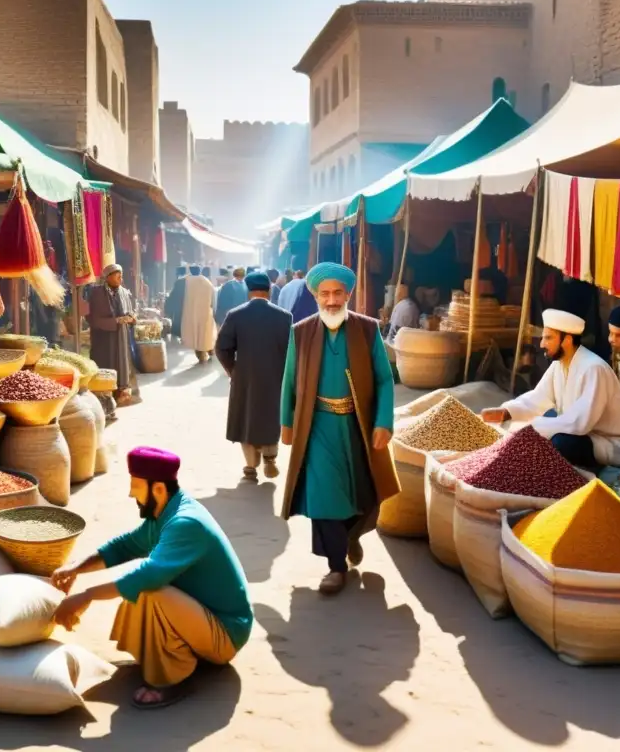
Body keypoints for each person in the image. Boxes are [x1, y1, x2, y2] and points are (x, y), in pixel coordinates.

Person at [51, 446, 252, 710]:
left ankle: (172, 679)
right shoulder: (166, 512)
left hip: (226, 634)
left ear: (157, 489)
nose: (131, 493)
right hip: (203, 618)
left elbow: (147, 576)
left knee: (150, 590)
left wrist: (86, 596)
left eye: (135, 485)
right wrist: (76, 568)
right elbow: (126, 546)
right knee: (146, 588)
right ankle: (171, 655)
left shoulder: (185, 523)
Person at [280, 263, 399, 595]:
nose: (331, 301)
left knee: (363, 493)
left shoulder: (366, 329)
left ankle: (351, 535)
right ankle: (335, 566)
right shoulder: (301, 332)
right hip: (315, 426)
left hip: (356, 426)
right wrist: (287, 423)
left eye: (337, 293)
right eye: (324, 294)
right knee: (324, 497)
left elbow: (384, 380)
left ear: (348, 294)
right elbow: (289, 380)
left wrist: (383, 422)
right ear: (315, 295)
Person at [481, 308, 620, 468]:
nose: (542, 344)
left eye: (548, 338)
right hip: (584, 434)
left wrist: (532, 427)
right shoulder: (559, 364)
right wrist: (508, 412)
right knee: (546, 420)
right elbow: (540, 397)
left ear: (567, 340)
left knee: (561, 442)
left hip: (610, 444)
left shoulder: (593, 368)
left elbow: (579, 423)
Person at [216, 271, 292, 481]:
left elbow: (222, 348)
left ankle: (251, 466)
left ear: (248, 291)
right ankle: (270, 457)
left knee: (246, 417)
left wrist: (234, 370)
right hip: (275, 377)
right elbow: (291, 352)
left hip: (245, 377)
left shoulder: (235, 315)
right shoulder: (284, 317)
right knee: (270, 415)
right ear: (269, 290)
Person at [88, 263, 138, 406]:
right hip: (103, 338)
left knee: (121, 363)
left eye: (121, 276)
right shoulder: (97, 293)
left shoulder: (124, 292)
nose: (120, 279)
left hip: (121, 337)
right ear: (108, 277)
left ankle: (120, 392)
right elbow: (94, 319)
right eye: (117, 276)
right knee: (105, 364)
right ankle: (104, 396)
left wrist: (131, 318)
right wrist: (115, 321)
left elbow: (131, 311)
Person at [181, 264, 217, 362]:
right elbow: (214, 299)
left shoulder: (186, 282)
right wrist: (214, 311)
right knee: (205, 333)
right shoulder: (207, 282)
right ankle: (209, 350)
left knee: (194, 334)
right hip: (206, 312)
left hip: (190, 312)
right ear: (200, 270)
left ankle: (200, 355)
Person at [166, 265, 188, 341]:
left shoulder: (179, 282)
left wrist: (168, 309)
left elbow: (173, 297)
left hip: (179, 309)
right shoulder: (189, 281)